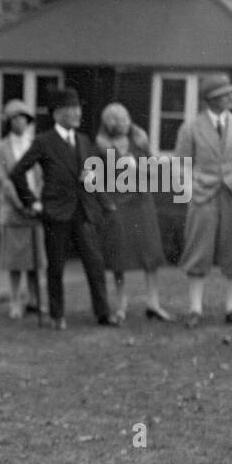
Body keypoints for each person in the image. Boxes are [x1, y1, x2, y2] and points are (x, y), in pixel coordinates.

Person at [9, 88, 116, 328]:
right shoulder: (44, 141)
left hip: (83, 211)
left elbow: (91, 176)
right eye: (72, 110)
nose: (78, 114)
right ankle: (57, 316)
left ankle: (103, 313)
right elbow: (17, 172)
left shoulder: (84, 140)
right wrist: (32, 202)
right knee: (56, 266)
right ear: (57, 114)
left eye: (79, 109)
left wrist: (105, 201)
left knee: (95, 263)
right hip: (56, 213)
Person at [173, 73, 232, 328]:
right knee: (198, 250)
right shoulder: (191, 127)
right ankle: (195, 309)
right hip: (203, 195)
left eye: (231, 92)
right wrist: (190, 187)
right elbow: (181, 163)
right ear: (210, 99)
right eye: (225, 94)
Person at [95, 103, 170, 322]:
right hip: (118, 202)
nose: (126, 122)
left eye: (126, 117)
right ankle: (121, 305)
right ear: (111, 124)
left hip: (141, 201)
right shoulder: (101, 146)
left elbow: (155, 167)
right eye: (120, 120)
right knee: (120, 255)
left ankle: (153, 303)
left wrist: (140, 165)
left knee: (150, 252)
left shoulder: (139, 139)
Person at [0, 99, 45, 320]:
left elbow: (40, 177)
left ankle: (34, 300)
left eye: (23, 118)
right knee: (15, 262)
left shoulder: (34, 145)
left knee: (35, 260)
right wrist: (21, 204)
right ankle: (15, 301)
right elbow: (4, 181)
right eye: (15, 118)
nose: (20, 122)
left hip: (35, 210)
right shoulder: (1, 148)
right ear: (8, 122)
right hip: (14, 211)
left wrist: (36, 202)